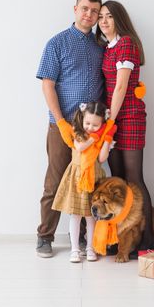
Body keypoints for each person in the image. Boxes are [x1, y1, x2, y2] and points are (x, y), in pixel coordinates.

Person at [35, 0, 104, 258]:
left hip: (93, 130)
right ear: (75, 9)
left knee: (90, 181)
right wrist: (62, 123)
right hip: (63, 126)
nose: (89, 14)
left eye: (94, 11)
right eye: (85, 9)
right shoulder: (57, 44)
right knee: (55, 182)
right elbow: (47, 84)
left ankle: (86, 238)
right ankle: (44, 236)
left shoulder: (101, 46)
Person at [95, 0, 154, 250]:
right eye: (101, 17)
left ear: (119, 19)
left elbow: (121, 87)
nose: (104, 21)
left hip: (128, 117)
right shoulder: (108, 47)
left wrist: (111, 121)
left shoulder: (126, 44)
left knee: (134, 178)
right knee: (117, 180)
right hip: (112, 119)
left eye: (109, 16)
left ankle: (148, 238)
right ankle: (121, 239)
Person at [52, 102, 116, 263]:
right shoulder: (77, 132)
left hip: (95, 178)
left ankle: (90, 248)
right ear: (82, 120)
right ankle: (75, 249)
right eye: (88, 123)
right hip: (77, 177)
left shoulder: (100, 138)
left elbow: (102, 158)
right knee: (76, 215)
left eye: (96, 125)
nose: (90, 127)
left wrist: (107, 138)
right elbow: (80, 148)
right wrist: (96, 136)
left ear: (102, 124)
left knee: (91, 217)